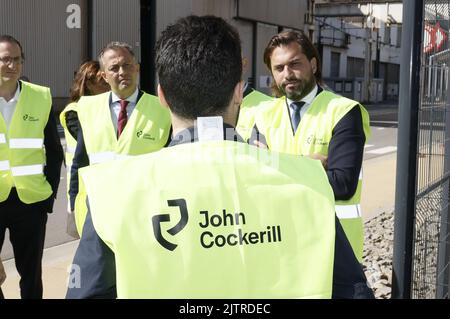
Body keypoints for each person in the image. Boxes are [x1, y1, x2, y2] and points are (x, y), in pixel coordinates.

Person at [68, 15, 373, 299]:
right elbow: (352, 290)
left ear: (161, 96)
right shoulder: (309, 182)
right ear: (239, 92)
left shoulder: (112, 192)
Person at [237, 30, 371, 262]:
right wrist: (310, 167)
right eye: (279, 68)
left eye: (295, 64)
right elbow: (253, 178)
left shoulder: (344, 111)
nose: (287, 74)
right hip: (280, 243)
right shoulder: (264, 115)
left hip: (334, 247)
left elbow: (342, 184)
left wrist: (273, 163)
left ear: (313, 64)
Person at [68, 42, 171, 236]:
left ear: (137, 68)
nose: (122, 72)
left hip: (143, 214)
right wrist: (74, 202)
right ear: (104, 76)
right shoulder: (88, 108)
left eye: (127, 65)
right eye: (114, 68)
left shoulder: (162, 109)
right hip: (98, 211)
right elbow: (80, 161)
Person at [0, 35, 63, 298]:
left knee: (31, 276)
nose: (11, 65)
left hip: (31, 202)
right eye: (5, 59)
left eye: (16, 59)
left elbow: (54, 151)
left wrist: (47, 197)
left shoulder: (40, 96)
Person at [59, 61, 110, 238]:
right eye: (101, 80)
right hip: (82, 187)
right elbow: (91, 139)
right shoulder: (74, 111)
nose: (108, 84)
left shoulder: (109, 108)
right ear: (88, 83)